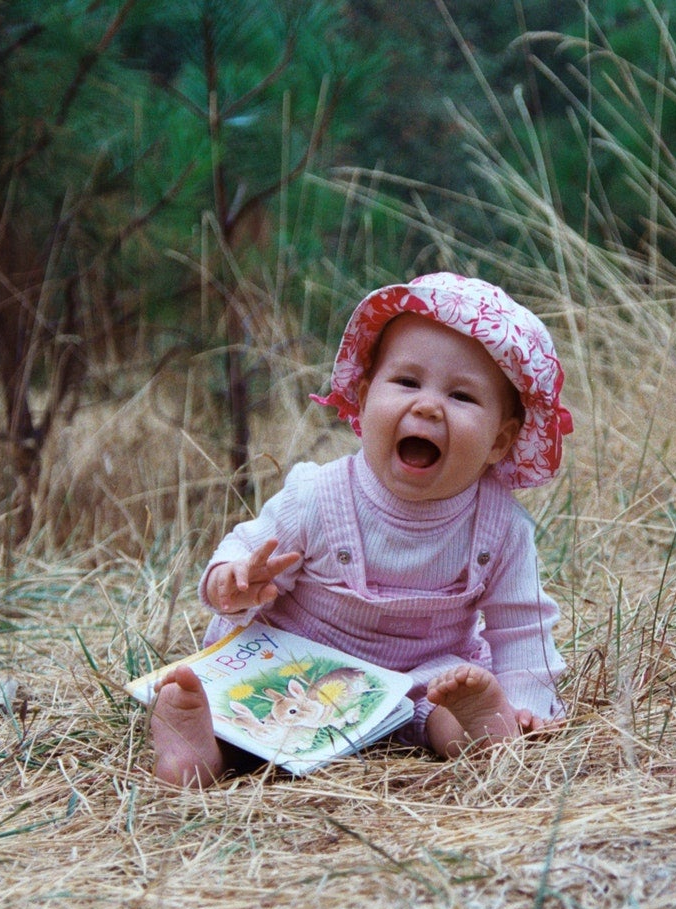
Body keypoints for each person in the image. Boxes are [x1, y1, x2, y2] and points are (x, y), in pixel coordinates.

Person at [149, 272, 574, 787]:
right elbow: (245, 546)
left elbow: (522, 621)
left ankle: (479, 724)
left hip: (416, 679)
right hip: (296, 664)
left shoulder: (501, 526)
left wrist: (529, 697)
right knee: (250, 707)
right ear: (366, 397)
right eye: (407, 382)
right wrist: (234, 579)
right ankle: (194, 744)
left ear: (500, 441)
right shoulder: (319, 496)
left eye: (462, 396)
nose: (427, 405)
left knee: (445, 707)